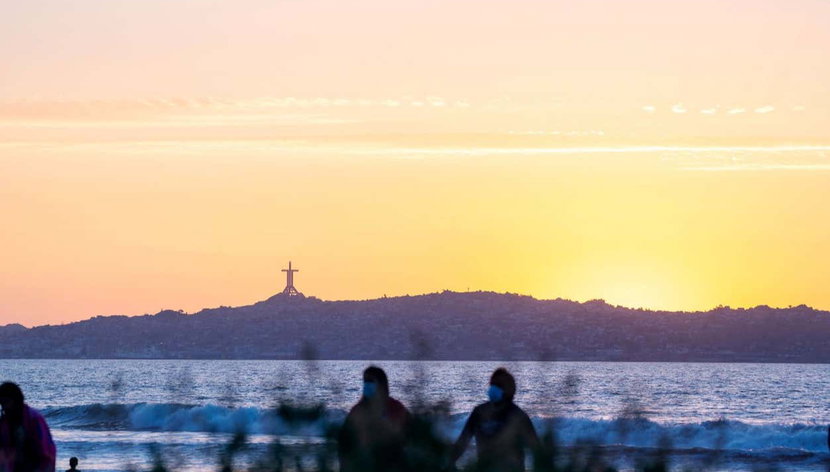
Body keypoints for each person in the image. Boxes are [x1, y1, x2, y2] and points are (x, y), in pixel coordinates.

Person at [451, 368, 540, 472]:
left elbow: (537, 450)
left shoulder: (518, 416)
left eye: (498, 385)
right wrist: (449, 462)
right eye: (492, 384)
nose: (493, 388)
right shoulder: (479, 412)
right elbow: (462, 442)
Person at [338, 366, 410, 472]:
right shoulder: (357, 410)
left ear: (381, 384)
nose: (367, 385)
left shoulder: (396, 407)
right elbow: (344, 443)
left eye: (370, 381)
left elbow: (410, 435)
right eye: (365, 381)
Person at [0, 382, 56, 472]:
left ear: (16, 401)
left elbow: (46, 452)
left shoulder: (34, 419)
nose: (4, 407)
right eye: (2, 403)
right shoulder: (4, 422)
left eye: (6, 402)